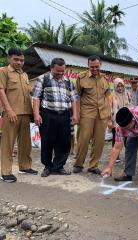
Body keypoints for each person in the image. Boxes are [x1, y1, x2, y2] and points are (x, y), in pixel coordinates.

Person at [33, 58, 79, 177]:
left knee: (64, 142)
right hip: (48, 114)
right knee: (47, 141)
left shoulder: (68, 81)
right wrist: (36, 114)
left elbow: (74, 99)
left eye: (62, 71)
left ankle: (58, 166)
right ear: (51, 68)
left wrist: (75, 114)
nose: (60, 73)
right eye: (58, 71)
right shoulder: (43, 79)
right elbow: (36, 97)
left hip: (65, 115)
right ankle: (48, 166)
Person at [0, 48, 38, 182]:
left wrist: (34, 112)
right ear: (9, 58)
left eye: (22, 60)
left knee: (26, 143)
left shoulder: (24, 75)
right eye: (16, 59)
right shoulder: (3, 71)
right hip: (11, 113)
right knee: (8, 143)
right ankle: (5, 172)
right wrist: (9, 110)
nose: (19, 62)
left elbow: (28, 95)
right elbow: (1, 91)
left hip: (26, 113)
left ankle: (25, 166)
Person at [73, 55, 111, 174]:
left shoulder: (105, 78)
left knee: (99, 141)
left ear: (101, 64)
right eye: (92, 67)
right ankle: (78, 164)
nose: (94, 69)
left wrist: (109, 113)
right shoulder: (81, 77)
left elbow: (107, 96)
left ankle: (93, 166)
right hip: (87, 113)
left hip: (102, 114)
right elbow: (77, 97)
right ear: (88, 65)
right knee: (83, 140)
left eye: (97, 66)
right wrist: (76, 114)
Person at [109, 78, 132, 161]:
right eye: (118, 86)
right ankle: (116, 156)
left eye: (121, 86)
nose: (120, 88)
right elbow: (110, 108)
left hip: (127, 119)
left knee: (127, 138)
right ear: (115, 86)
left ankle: (128, 155)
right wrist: (110, 120)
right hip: (116, 121)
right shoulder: (112, 95)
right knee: (116, 138)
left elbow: (131, 105)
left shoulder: (128, 94)